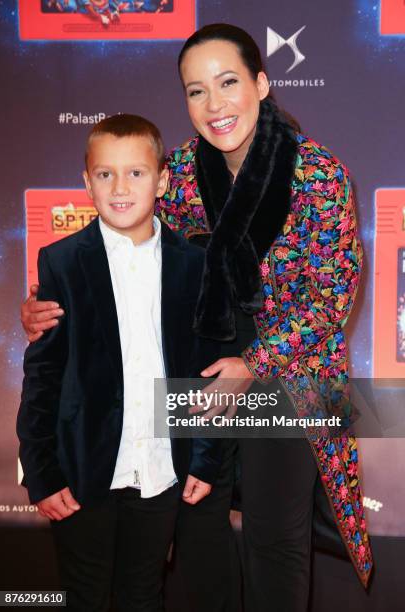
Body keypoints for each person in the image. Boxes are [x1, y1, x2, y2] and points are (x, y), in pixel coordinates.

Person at [21, 23, 373, 612]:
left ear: (261, 83)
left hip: (289, 375)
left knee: (274, 535)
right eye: (195, 90)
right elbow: (123, 241)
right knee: (194, 522)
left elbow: (335, 292)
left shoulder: (318, 175)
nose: (214, 104)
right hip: (198, 366)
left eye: (228, 82)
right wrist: (45, 299)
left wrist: (254, 363)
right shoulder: (179, 169)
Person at [17, 113, 224, 612]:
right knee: (84, 594)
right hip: (83, 471)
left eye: (135, 172)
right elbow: (42, 378)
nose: (121, 186)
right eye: (105, 174)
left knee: (143, 591)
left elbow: (202, 374)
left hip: (159, 469)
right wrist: (42, 474)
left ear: (162, 179)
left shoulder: (194, 265)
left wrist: (204, 456)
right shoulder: (62, 261)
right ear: (87, 182)